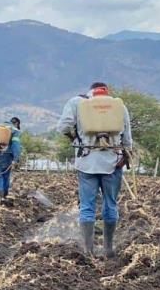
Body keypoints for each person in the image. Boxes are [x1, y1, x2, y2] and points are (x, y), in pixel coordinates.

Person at [57, 83, 132, 257]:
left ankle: (88, 250)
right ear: (106, 92)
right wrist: (125, 157)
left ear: (90, 92)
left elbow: (63, 127)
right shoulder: (119, 106)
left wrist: (75, 138)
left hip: (86, 162)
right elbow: (127, 138)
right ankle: (108, 248)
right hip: (112, 162)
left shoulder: (77, 103)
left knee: (86, 206)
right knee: (111, 205)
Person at [0, 117, 22, 203]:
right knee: (6, 176)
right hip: (7, 156)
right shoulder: (14, 131)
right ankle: (4, 195)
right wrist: (16, 158)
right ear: (17, 123)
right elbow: (15, 145)